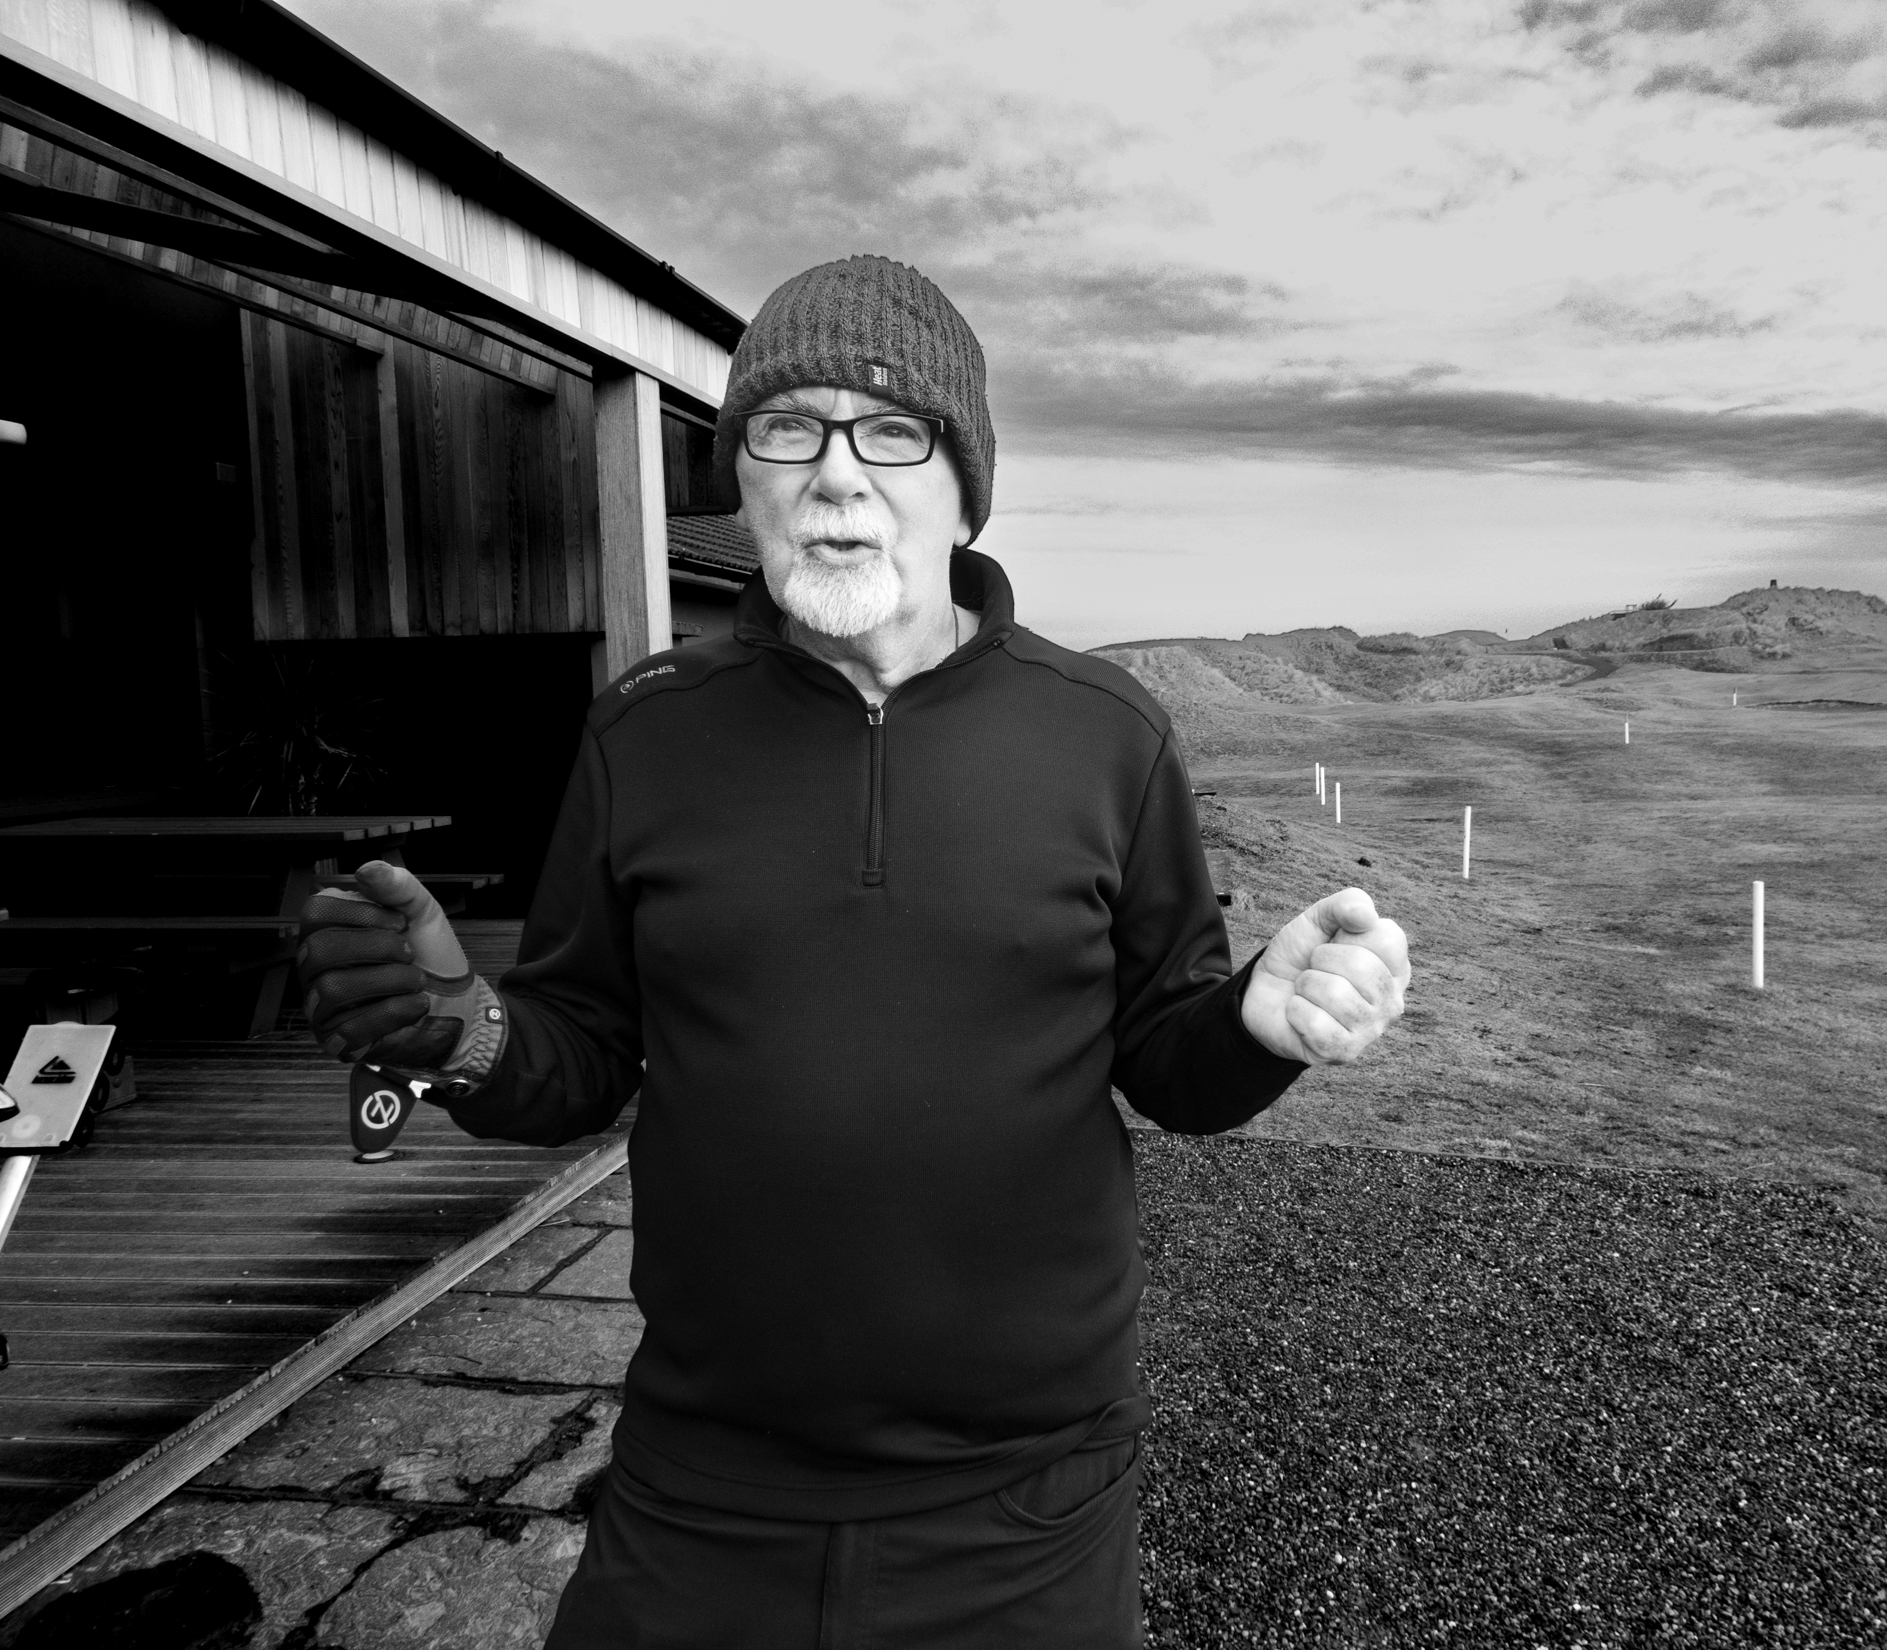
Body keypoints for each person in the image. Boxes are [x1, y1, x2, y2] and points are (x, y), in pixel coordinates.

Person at [293, 254, 1411, 1649]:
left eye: (894, 430)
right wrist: (458, 1024)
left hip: (1028, 1498)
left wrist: (1259, 1021)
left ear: (962, 484)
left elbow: (1168, 1057)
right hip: (705, 1482)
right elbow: (576, 1052)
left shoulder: (1105, 735)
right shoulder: (645, 734)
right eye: (787, 429)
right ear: (742, 482)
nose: (838, 475)